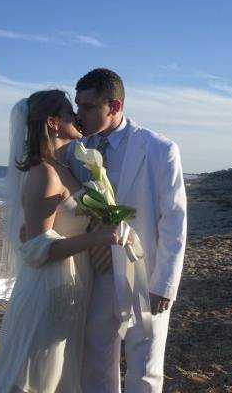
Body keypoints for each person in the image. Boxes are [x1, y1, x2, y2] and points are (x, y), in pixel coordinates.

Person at [0, 90, 124, 393]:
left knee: (60, 375)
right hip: (46, 291)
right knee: (39, 376)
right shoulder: (44, 174)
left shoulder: (65, 166)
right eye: (68, 111)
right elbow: (35, 249)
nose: (77, 116)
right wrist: (96, 239)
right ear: (52, 123)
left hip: (69, 288)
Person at [69, 68, 187, 392]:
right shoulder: (77, 151)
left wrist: (165, 283)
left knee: (146, 367)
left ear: (115, 106)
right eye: (78, 106)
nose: (80, 114)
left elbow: (174, 221)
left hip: (144, 276)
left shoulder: (160, 149)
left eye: (89, 106)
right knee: (96, 360)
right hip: (96, 272)